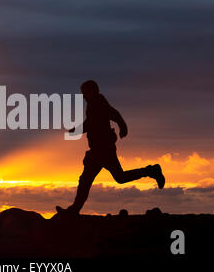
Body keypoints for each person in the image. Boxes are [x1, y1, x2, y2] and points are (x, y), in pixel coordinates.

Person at [56, 80, 165, 215]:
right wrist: (76, 130)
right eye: (83, 93)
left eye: (85, 92)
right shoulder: (92, 104)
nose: (83, 96)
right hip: (98, 150)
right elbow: (91, 123)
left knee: (100, 179)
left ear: (93, 91)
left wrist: (123, 126)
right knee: (101, 179)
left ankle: (152, 171)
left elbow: (113, 114)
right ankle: (152, 171)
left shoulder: (99, 103)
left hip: (104, 150)